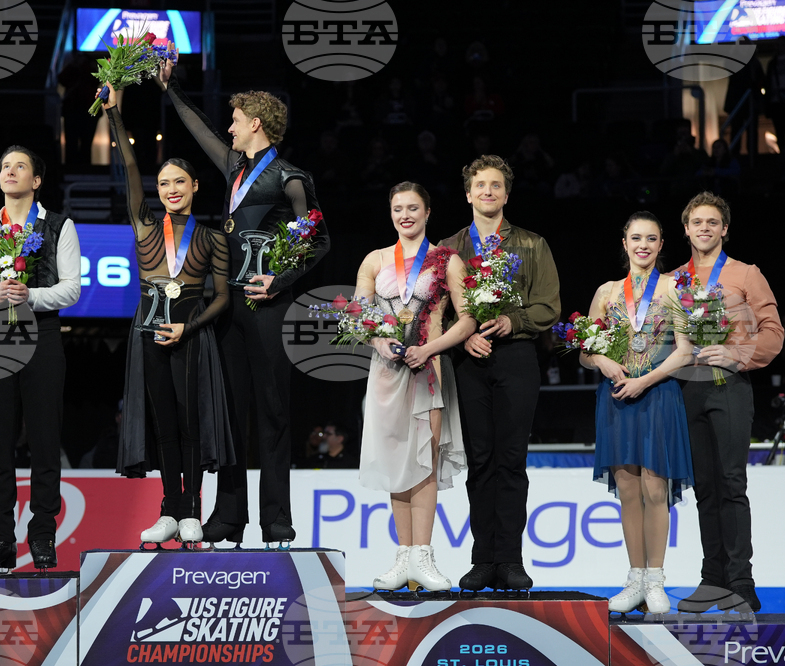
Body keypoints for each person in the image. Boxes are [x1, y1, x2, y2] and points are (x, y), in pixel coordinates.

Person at [156, 60, 329, 547]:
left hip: (269, 308)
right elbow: (199, 129)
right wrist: (172, 91)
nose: (228, 127)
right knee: (228, 415)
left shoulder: (291, 177)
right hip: (228, 307)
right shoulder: (236, 169)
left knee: (272, 412)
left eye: (234, 119)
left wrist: (280, 279)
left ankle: (276, 519)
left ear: (256, 123)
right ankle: (229, 516)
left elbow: (318, 239)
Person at [100, 82, 233, 548]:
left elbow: (222, 299)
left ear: (195, 186)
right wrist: (115, 116)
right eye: (164, 183)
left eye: (179, 181)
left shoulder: (213, 238)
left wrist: (188, 326)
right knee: (163, 425)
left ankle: (192, 510)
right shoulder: (143, 226)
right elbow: (129, 167)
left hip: (191, 332)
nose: (171, 189)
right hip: (148, 331)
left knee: (190, 421)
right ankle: (169, 511)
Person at [440, 155, 560, 592]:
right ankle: (481, 559)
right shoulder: (448, 247)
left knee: (511, 461)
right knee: (480, 461)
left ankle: (509, 559)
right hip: (469, 362)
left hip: (516, 357)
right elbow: (437, 309)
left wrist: (514, 321)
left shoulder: (531, 244)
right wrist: (463, 335)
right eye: (480, 186)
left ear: (506, 195)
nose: (487, 192)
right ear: (468, 194)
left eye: (496, 186)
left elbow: (549, 305)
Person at [0, 146, 82, 571]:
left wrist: (29, 294)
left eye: (20, 166)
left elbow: (71, 289)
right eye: (4, 166)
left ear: (36, 181)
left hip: (43, 337)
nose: (9, 171)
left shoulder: (58, 226)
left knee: (44, 441)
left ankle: (43, 535)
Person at [357, 182, 473, 592]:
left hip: (430, 370)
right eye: (397, 209)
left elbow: (467, 320)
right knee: (395, 465)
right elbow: (359, 317)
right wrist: (378, 341)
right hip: (387, 374)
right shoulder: (374, 260)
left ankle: (423, 555)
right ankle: (403, 557)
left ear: (427, 213)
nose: (405, 215)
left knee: (423, 463)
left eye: (413, 208)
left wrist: (429, 349)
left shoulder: (448, 260)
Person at [578, 212, 694, 614]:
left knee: (654, 489)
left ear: (662, 245)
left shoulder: (675, 288)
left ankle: (657, 580)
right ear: (624, 243)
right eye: (635, 238)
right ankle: (634, 579)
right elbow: (585, 350)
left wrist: (646, 380)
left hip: (657, 395)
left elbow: (685, 350)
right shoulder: (606, 292)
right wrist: (602, 362)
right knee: (627, 490)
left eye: (651, 238)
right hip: (616, 397)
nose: (642, 245)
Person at [675, 192, 783, 615]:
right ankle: (712, 579)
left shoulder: (744, 274)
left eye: (712, 222)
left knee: (731, 484)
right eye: (697, 222)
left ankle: (741, 580)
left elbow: (773, 332)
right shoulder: (672, 280)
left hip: (730, 386)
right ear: (685, 229)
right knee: (704, 488)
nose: (704, 228)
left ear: (724, 229)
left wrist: (737, 354)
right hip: (687, 390)